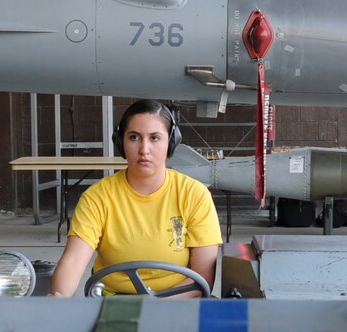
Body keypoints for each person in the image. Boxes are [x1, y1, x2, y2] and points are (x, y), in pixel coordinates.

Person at [51, 99, 222, 297]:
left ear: (171, 142)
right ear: (120, 142)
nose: (144, 149)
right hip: (114, 306)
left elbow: (203, 276)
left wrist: (152, 308)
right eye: (134, 137)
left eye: (155, 138)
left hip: (177, 302)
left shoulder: (194, 195)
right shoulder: (97, 197)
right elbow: (73, 261)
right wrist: (59, 297)